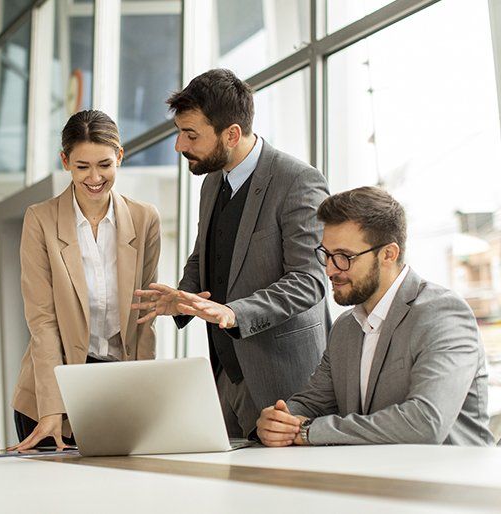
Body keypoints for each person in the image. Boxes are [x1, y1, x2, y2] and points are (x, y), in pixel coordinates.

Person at [133, 68, 330, 438]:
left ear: (232, 134)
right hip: (226, 375)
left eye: (190, 135)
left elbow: (310, 281)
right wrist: (182, 296)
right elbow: (205, 254)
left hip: (286, 381)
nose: (179, 146)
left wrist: (233, 312)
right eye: (179, 133)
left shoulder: (298, 181)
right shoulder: (212, 182)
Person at [255, 186, 494, 447]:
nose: (330, 269)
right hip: (374, 479)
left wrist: (308, 431)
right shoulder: (346, 327)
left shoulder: (443, 315)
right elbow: (312, 401)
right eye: (326, 254)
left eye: (344, 257)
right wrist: (279, 420)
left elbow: (425, 423)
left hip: (448, 481)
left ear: (388, 254)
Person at [10, 110, 161, 450]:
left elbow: (145, 316)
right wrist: (52, 408)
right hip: (52, 391)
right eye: (82, 167)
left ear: (120, 156)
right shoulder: (41, 220)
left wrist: (145, 397)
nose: (95, 177)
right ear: (65, 161)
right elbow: (42, 322)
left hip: (116, 388)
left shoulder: (144, 218)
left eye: (105, 165)